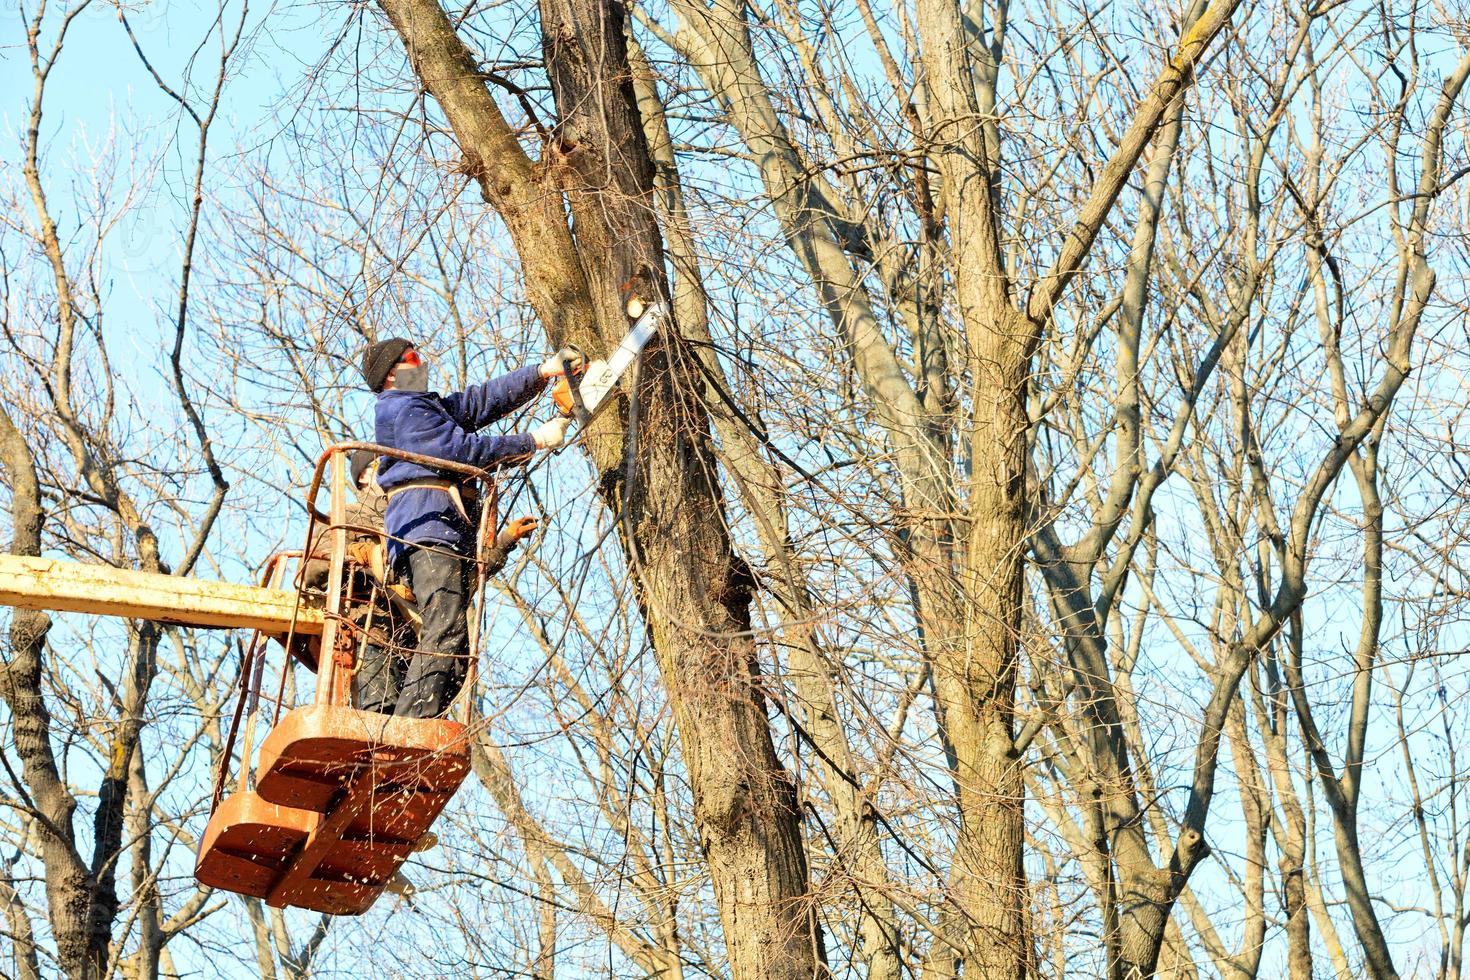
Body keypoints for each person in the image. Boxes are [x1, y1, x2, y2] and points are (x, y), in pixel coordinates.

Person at [360, 338, 580, 718]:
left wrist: (542, 372)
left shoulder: (423, 407)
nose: (422, 361)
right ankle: (406, 731)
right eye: (413, 358)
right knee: (445, 630)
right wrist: (534, 440)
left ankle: (411, 726)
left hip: (443, 530)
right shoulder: (402, 408)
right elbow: (461, 449)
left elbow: (478, 402)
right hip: (427, 529)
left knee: (457, 655)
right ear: (392, 373)